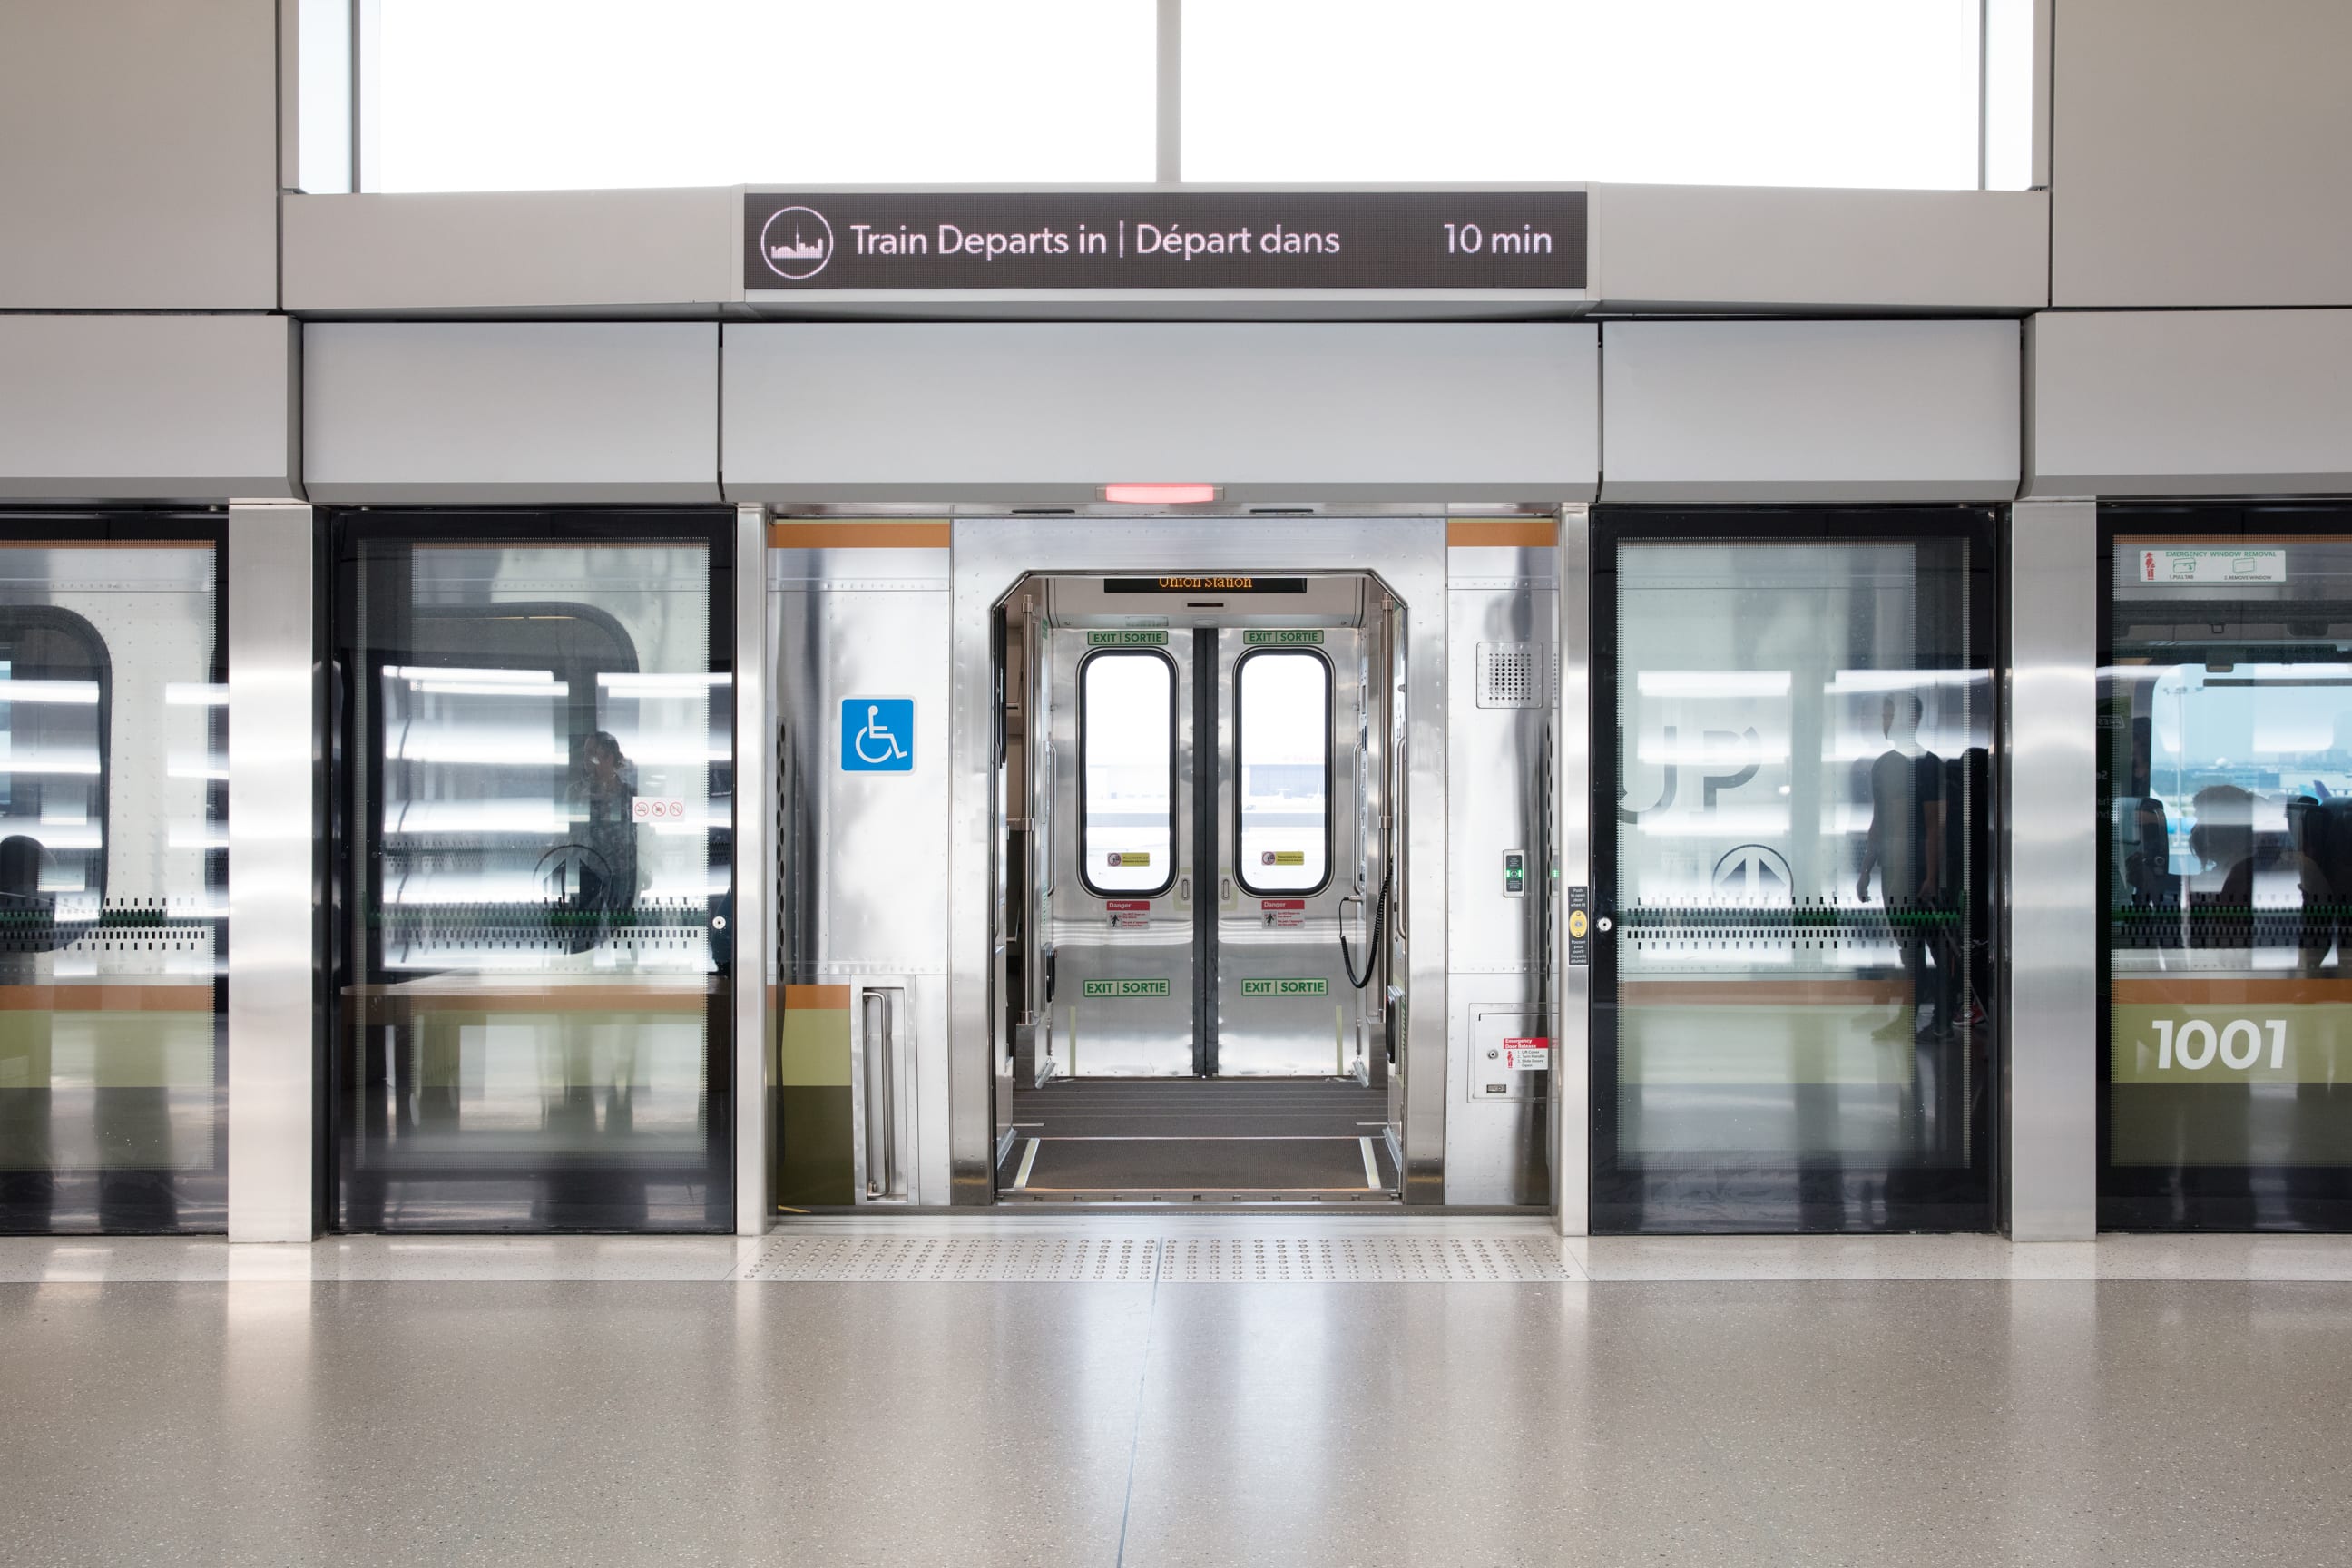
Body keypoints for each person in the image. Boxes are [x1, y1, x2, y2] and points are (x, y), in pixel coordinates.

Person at [1855, 692, 1946, 1043]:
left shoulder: (1928, 765)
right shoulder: (1883, 765)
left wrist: (1932, 877)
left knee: (1933, 948)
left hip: (1918, 870)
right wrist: (1866, 868)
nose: (1885, 721)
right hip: (1893, 870)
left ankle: (1936, 1018)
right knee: (1909, 948)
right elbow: (1878, 821)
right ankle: (1914, 1017)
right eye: (1884, 713)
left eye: (1890, 714)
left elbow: (1934, 824)